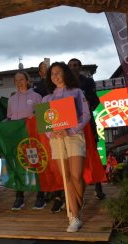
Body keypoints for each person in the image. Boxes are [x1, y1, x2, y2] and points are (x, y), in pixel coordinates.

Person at [42, 62, 90, 232]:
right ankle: (74, 216)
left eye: (58, 72)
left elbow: (86, 115)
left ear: (65, 74)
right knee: (66, 178)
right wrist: (51, 134)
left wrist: (72, 129)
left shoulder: (77, 92)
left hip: (74, 137)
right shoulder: (47, 99)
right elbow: (46, 123)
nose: (55, 76)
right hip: (56, 141)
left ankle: (77, 205)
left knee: (76, 175)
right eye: (52, 74)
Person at [68, 58, 106, 201]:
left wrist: (85, 111)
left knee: (92, 153)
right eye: (70, 66)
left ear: (80, 67)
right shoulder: (64, 84)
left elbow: (96, 101)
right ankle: (72, 192)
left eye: (75, 65)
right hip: (71, 127)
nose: (73, 68)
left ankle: (98, 187)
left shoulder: (87, 82)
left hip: (87, 124)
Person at [7, 71, 45, 210]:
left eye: (22, 79)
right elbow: (9, 119)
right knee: (19, 166)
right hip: (17, 138)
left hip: (33, 137)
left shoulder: (36, 96)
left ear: (27, 80)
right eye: (16, 80)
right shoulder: (11, 99)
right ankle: (19, 197)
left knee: (36, 165)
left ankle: (41, 196)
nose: (19, 82)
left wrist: (34, 117)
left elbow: (42, 116)